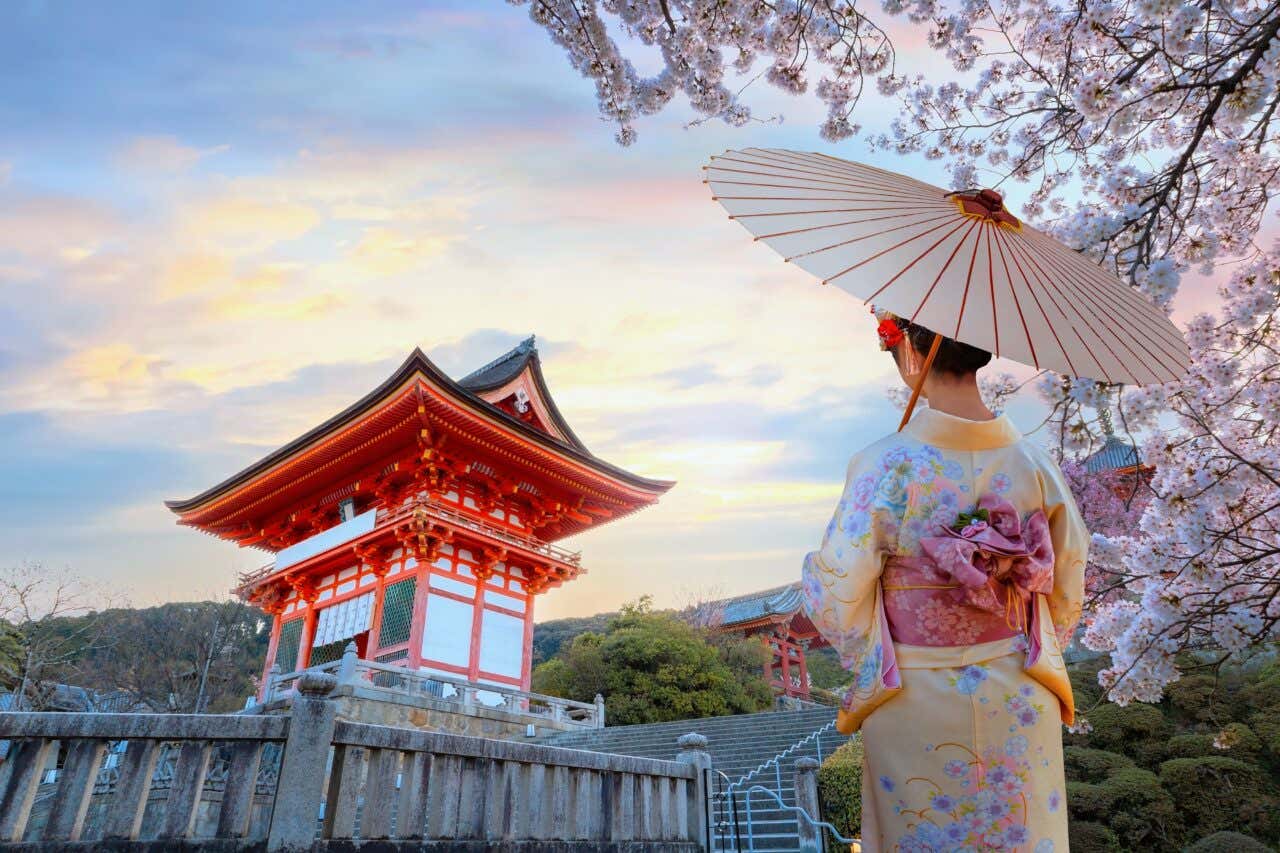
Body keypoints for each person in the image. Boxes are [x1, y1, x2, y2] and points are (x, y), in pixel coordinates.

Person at [801, 312, 1088, 853]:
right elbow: (1067, 581)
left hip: (914, 693)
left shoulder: (884, 464)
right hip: (1018, 689)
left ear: (913, 351)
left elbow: (838, 591)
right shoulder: (1034, 463)